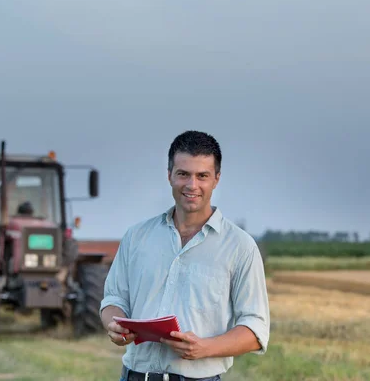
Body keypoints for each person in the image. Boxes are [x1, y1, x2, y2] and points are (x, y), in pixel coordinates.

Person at [100, 130, 270, 381]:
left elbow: (256, 329)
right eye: (183, 174)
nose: (192, 185)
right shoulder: (136, 237)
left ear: (216, 179)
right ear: (169, 175)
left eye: (202, 176)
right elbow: (113, 299)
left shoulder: (241, 247)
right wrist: (115, 326)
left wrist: (205, 348)